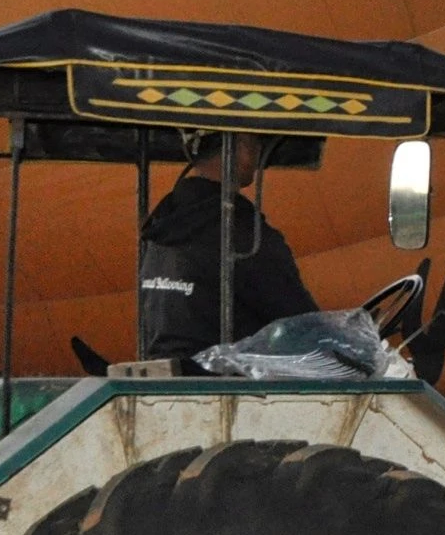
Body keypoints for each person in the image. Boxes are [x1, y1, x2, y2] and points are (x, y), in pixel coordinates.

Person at [137, 134, 322, 365]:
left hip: (164, 385)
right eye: (257, 144)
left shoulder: (161, 228)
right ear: (243, 147)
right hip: (232, 390)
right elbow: (300, 321)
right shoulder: (245, 234)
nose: (259, 155)